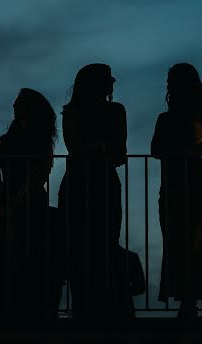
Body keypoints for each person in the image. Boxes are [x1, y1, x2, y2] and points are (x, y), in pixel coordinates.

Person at [0, 88, 60, 315]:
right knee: (1, 261)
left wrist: (17, 206)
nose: (14, 106)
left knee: (29, 261)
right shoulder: (6, 140)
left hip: (30, 205)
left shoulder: (41, 141)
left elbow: (39, 175)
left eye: (19, 103)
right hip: (6, 206)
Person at [57, 64, 127, 318]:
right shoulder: (73, 111)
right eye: (108, 80)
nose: (111, 85)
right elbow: (73, 147)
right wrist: (101, 146)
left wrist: (97, 147)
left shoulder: (116, 110)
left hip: (101, 180)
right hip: (81, 182)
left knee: (105, 242)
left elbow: (120, 153)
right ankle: (83, 307)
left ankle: (101, 306)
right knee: (77, 244)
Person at [151, 63, 202, 318]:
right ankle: (184, 297)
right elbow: (155, 149)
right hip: (171, 182)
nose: (169, 85)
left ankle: (190, 301)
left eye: (172, 80)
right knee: (174, 239)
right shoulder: (165, 117)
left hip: (194, 179)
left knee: (195, 240)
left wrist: (186, 151)